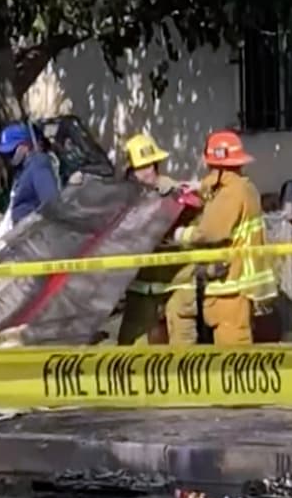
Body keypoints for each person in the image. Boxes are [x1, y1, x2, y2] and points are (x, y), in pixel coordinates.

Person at [170, 130, 277, 345]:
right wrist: (199, 187)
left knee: (233, 358)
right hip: (239, 287)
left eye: (211, 167)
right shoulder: (244, 187)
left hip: (230, 287)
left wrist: (181, 235)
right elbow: (219, 187)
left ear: (217, 167)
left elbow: (208, 232)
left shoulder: (230, 194)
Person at [116, 133, 203, 345]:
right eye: (140, 168)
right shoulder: (125, 200)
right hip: (141, 285)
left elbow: (200, 221)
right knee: (132, 347)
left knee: (184, 347)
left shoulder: (176, 196)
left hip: (177, 281)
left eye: (150, 166)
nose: (146, 173)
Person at [0, 122, 60, 227]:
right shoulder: (22, 169)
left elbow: (50, 202)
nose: (8, 157)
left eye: (12, 151)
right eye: (5, 154)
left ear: (25, 145)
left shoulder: (38, 165)